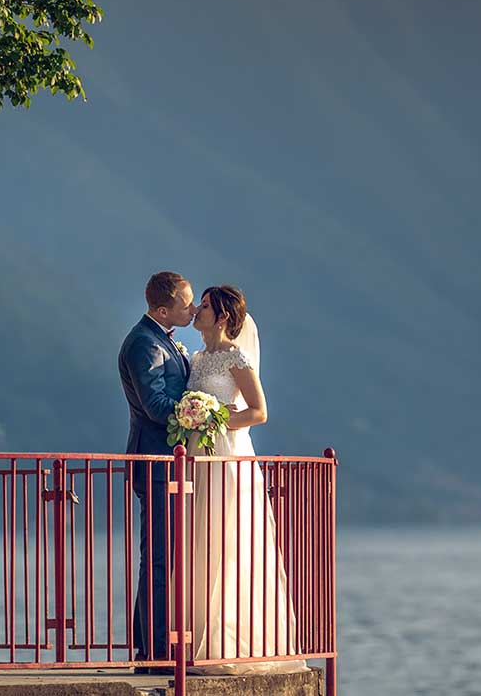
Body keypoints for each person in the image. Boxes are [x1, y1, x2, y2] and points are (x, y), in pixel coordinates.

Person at [185, 284, 303, 671]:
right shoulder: (198, 358)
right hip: (200, 457)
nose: (197, 311)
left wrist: (214, 420)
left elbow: (258, 412)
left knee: (226, 542)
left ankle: (229, 640)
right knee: (200, 541)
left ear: (221, 317)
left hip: (228, 457)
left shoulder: (236, 358)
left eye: (204, 306)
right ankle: (197, 633)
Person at [117, 271, 195, 672]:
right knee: (159, 559)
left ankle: (149, 648)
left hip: (169, 464)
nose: (194, 308)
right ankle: (157, 653)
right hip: (155, 462)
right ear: (164, 308)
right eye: (187, 303)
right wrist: (200, 413)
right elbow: (155, 406)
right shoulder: (144, 344)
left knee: (162, 558)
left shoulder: (160, 339)